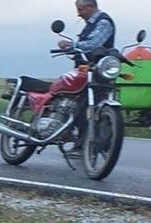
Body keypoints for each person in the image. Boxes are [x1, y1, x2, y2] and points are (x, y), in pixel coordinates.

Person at [58, 0, 115, 158]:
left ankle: (83, 144)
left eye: (81, 9)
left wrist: (71, 45)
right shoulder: (92, 24)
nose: (79, 13)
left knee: (85, 107)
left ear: (91, 7)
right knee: (77, 103)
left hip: (96, 74)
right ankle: (77, 139)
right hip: (87, 71)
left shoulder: (103, 22)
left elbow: (94, 44)